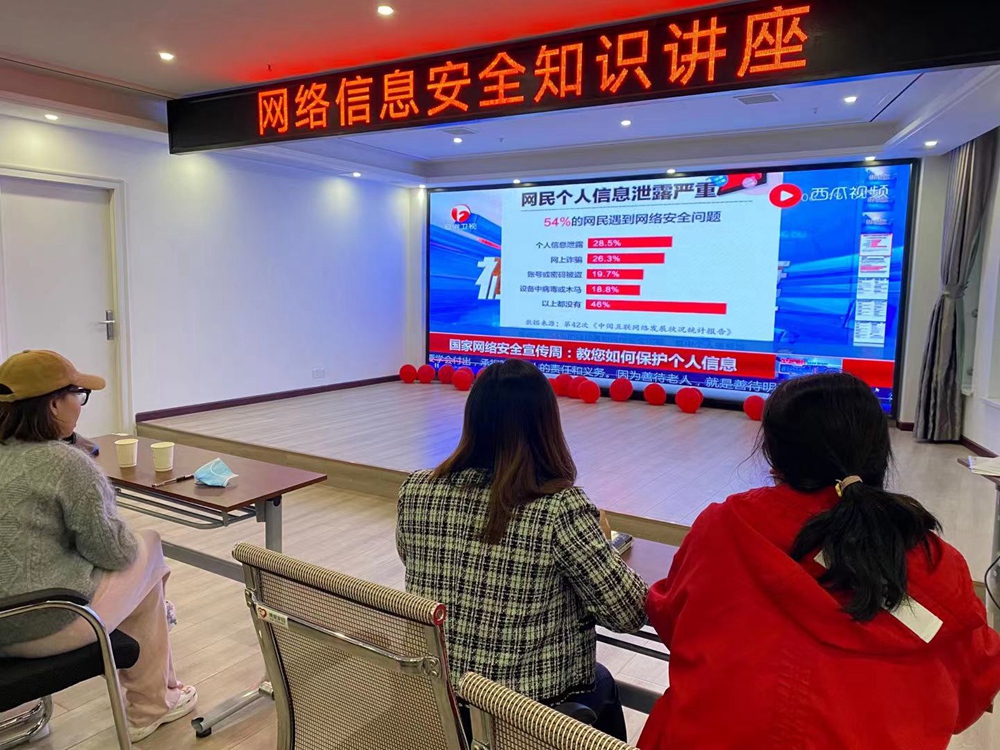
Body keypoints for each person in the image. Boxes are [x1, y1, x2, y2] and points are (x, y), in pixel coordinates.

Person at [638, 373, 1000, 750]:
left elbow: (670, 619)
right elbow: (972, 690)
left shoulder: (725, 525)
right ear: (879, 454)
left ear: (774, 458)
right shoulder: (937, 564)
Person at [396, 359, 647, 740]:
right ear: (546, 427)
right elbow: (628, 613)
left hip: (434, 700)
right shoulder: (560, 508)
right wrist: (601, 544)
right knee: (602, 682)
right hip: (519, 717)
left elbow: (413, 558)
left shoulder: (416, 490)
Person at [0, 350, 196, 742]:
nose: (80, 403)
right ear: (54, 404)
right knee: (147, 547)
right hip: (43, 622)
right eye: (77, 394)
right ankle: (151, 706)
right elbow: (114, 552)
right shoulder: (64, 463)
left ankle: (153, 697)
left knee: (141, 585)